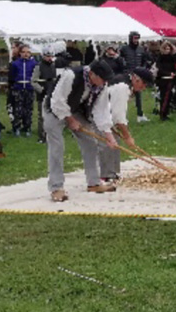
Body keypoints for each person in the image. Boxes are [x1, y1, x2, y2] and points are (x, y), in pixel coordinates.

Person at [43, 59, 118, 202]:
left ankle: (94, 183)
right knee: (57, 146)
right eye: (102, 79)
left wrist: (108, 135)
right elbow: (57, 100)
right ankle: (56, 188)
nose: (104, 83)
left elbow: (101, 111)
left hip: (76, 109)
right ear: (91, 74)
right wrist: (70, 120)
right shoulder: (70, 75)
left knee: (90, 142)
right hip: (54, 108)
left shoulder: (102, 85)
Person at [99, 67, 154, 182]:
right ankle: (106, 174)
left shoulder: (125, 84)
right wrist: (128, 136)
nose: (143, 88)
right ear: (136, 79)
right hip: (99, 115)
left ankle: (112, 172)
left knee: (115, 140)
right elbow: (118, 115)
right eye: (144, 85)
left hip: (106, 115)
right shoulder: (122, 87)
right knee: (109, 142)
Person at [32, 44, 66, 144]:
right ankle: (41, 136)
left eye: (51, 56)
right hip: (43, 94)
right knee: (41, 116)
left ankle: (50, 135)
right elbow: (33, 81)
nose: (49, 58)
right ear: (43, 56)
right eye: (47, 56)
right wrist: (41, 90)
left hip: (52, 94)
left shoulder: (53, 66)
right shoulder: (39, 67)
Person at [120, 31, 153, 122]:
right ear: (130, 38)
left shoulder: (141, 49)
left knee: (139, 95)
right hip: (127, 75)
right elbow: (120, 60)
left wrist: (143, 68)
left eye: (137, 38)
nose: (136, 40)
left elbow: (146, 60)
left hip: (138, 76)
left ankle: (140, 114)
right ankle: (122, 116)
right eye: (134, 38)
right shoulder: (124, 49)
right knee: (125, 97)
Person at [8, 45, 38, 136]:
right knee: (17, 109)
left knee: (28, 109)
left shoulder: (33, 64)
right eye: (24, 52)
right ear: (20, 53)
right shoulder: (15, 64)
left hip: (29, 89)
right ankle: (16, 127)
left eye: (28, 52)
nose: (26, 54)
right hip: (18, 89)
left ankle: (27, 127)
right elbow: (11, 77)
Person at [155, 41, 176, 121]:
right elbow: (159, 69)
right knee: (164, 97)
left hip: (170, 79)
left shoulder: (172, 57)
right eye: (166, 49)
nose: (167, 50)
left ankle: (165, 113)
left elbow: (175, 64)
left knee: (168, 97)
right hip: (163, 79)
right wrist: (168, 73)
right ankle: (162, 114)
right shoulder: (160, 58)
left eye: (168, 49)